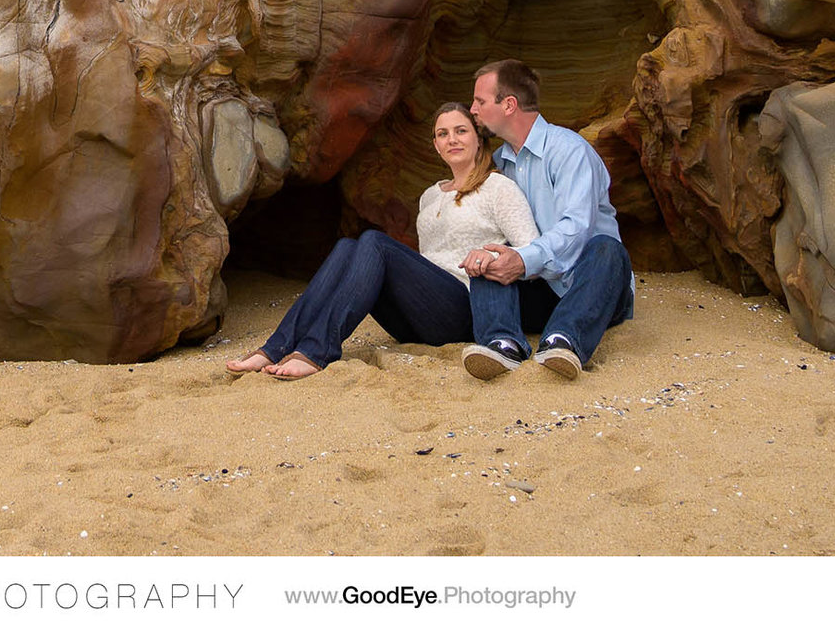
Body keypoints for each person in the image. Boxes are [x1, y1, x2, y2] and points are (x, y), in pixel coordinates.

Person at [227, 103, 538, 379]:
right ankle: (275, 346)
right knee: (348, 246)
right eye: (443, 134)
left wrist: (492, 258)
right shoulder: (431, 195)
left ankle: (315, 350)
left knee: (375, 242)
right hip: (417, 317)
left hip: (465, 308)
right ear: (435, 145)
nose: (452, 139)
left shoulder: (498, 188)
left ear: (478, 138)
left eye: (461, 131)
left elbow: (532, 252)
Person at [458, 58, 635, 381]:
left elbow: (576, 229)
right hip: (542, 292)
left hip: (593, 288)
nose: (473, 109)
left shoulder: (569, 151)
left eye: (480, 101)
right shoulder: (499, 164)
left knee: (608, 249)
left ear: (509, 104)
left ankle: (566, 340)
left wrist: (522, 261)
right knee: (491, 254)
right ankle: (503, 343)